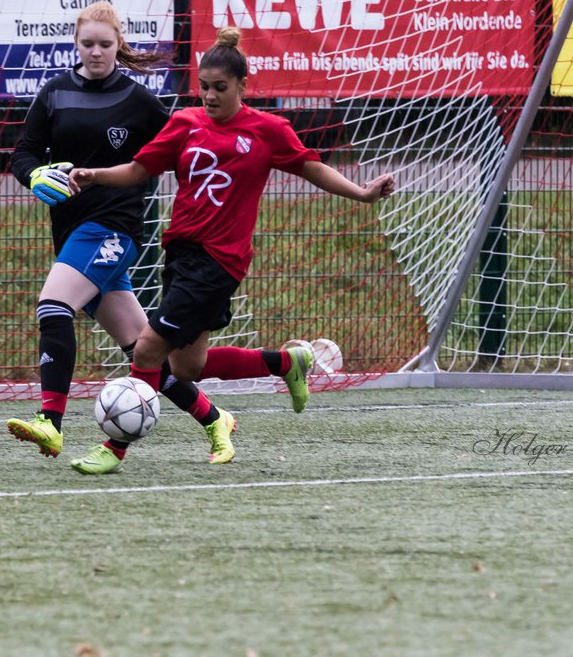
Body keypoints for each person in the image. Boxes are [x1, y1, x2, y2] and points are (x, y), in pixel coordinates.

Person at [66, 26, 396, 475]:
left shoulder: (267, 130)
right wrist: (95, 174)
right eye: (204, 87)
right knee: (188, 367)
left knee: (146, 351)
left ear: (243, 85)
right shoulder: (184, 124)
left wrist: (362, 193)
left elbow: (311, 168)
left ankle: (114, 447)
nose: (210, 96)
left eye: (220, 88)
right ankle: (287, 362)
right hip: (181, 256)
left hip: (218, 262)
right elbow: (140, 168)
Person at [4, 2, 242, 469]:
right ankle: (216, 420)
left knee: (53, 306)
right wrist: (33, 176)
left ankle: (49, 422)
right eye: (88, 44)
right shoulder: (54, 92)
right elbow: (23, 154)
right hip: (73, 231)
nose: (96, 53)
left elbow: (185, 145)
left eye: (105, 45)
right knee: (144, 351)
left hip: (117, 226)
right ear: (76, 43)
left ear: (119, 46)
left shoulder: (137, 101)